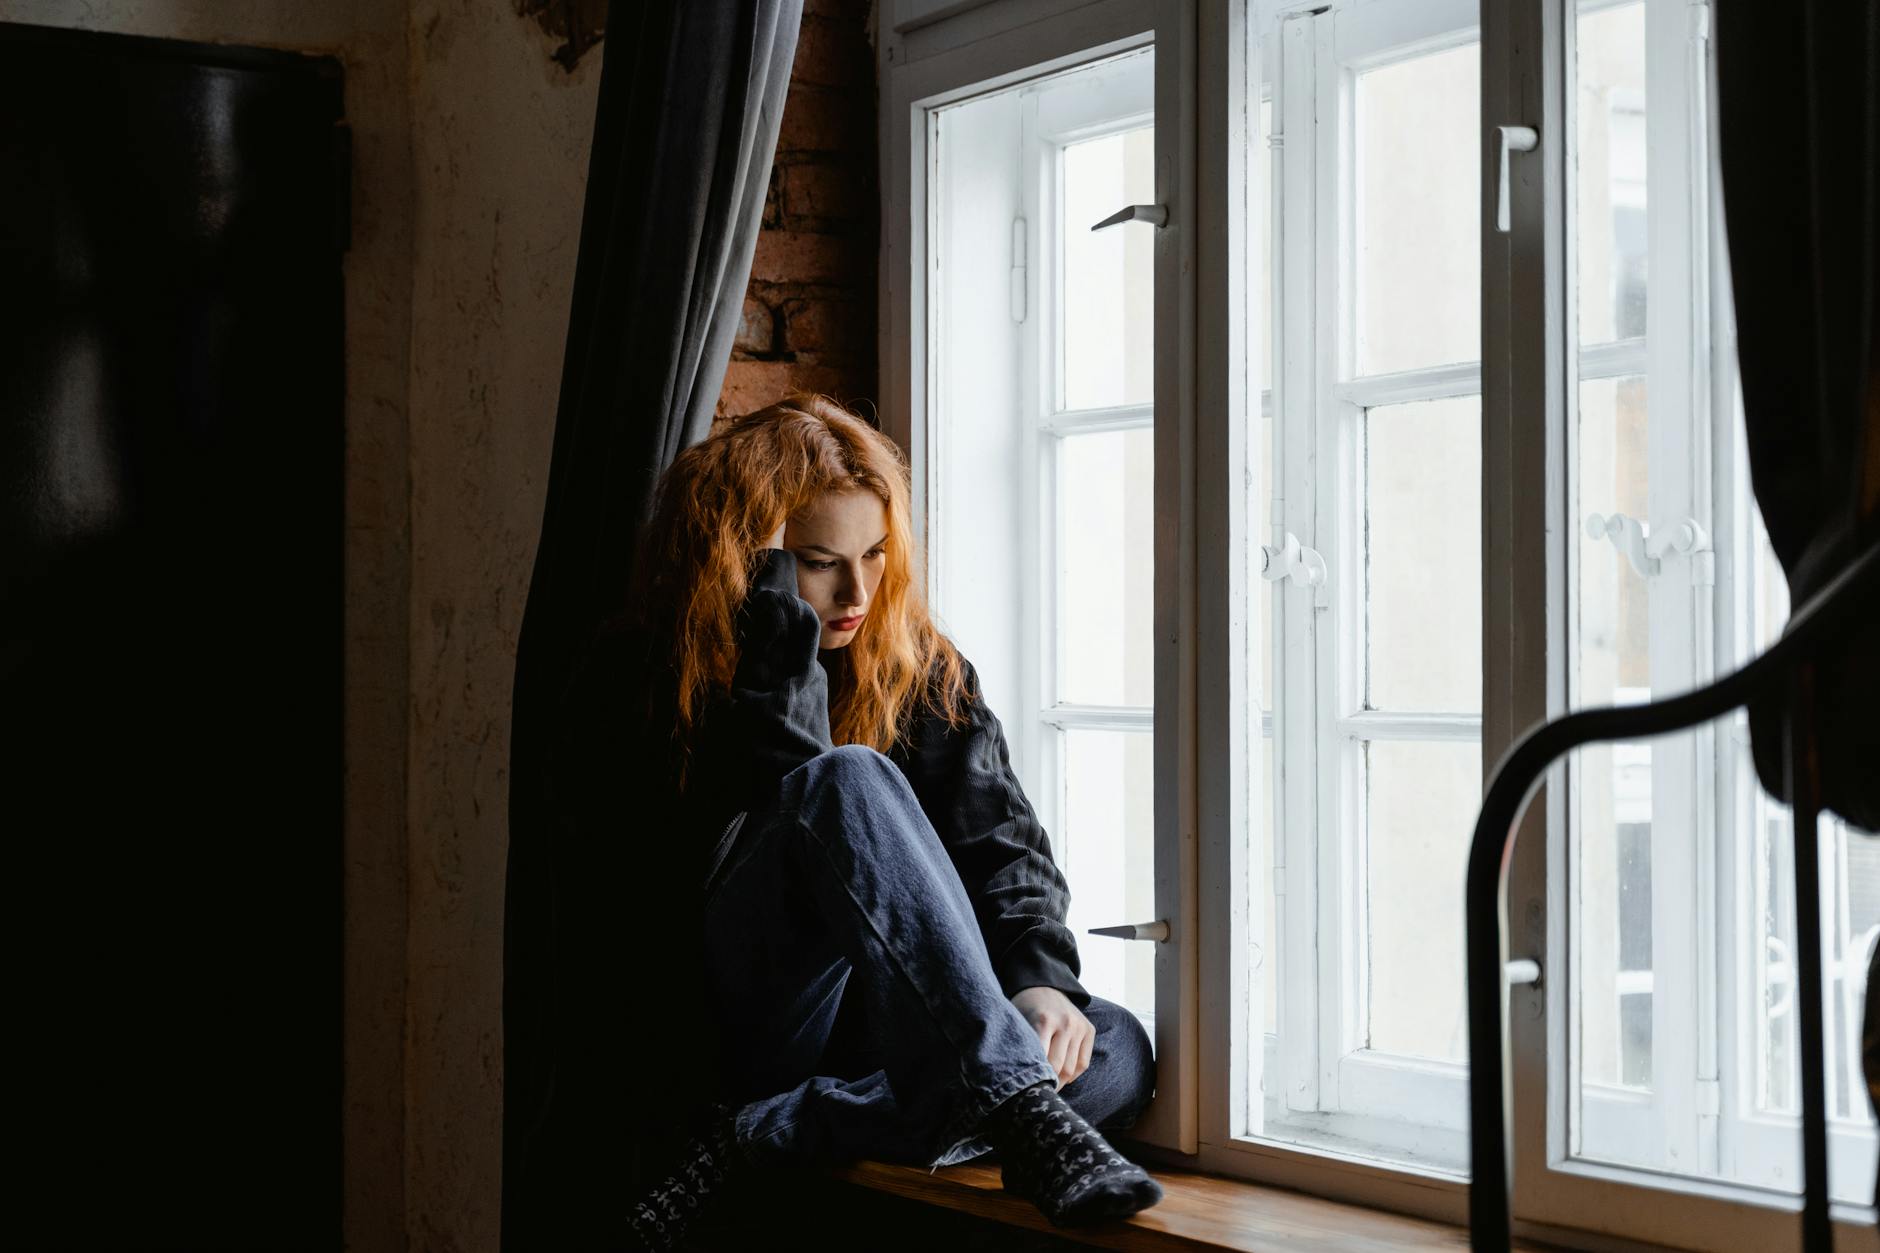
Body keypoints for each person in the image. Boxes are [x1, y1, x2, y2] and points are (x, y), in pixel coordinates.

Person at [552, 393, 1162, 1249]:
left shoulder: (920, 666)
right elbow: (652, 903)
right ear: (745, 561)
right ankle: (999, 1101)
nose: (858, 591)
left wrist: (1039, 980)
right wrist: (776, 638)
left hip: (883, 1045)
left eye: (876, 554)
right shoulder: (641, 673)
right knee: (843, 777)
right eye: (816, 561)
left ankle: (769, 1131)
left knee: (1116, 1046)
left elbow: (1003, 845)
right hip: (739, 1022)